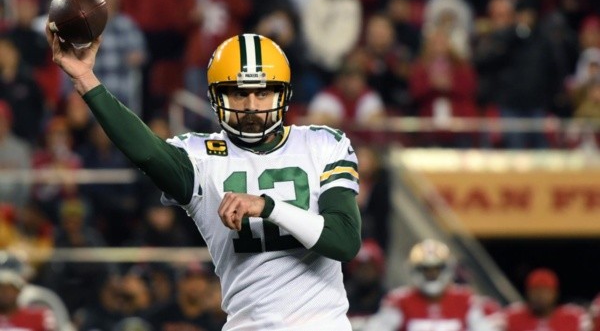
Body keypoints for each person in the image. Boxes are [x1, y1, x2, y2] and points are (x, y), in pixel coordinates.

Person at [47, 28, 362, 330]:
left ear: (284, 93)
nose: (252, 105)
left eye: (263, 92)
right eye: (238, 93)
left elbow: (344, 242)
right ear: (216, 97)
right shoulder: (201, 157)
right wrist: (86, 79)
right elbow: (145, 151)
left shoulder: (323, 144)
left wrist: (267, 206)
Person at [363, 239, 501, 331]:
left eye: (436, 269)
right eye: (426, 270)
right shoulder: (399, 300)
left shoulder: (465, 299)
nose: (431, 275)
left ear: (447, 269)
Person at [504, 268, 591, 331]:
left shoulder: (574, 317)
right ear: (527, 293)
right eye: (535, 291)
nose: (539, 296)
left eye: (545, 291)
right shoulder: (511, 316)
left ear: (555, 293)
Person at [145, 262, 223, 331]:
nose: (195, 284)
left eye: (200, 279)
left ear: (207, 284)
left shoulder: (214, 321)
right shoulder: (159, 315)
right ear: (179, 282)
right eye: (190, 278)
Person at [0, 262, 56, 331]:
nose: (4, 293)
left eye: (9, 289)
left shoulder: (39, 316)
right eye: (1, 289)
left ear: (18, 291)